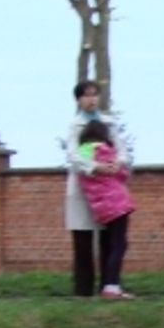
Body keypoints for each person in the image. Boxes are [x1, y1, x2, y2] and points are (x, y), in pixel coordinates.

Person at [63, 79, 131, 298]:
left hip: (108, 188)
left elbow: (121, 150)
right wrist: (95, 167)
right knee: (82, 240)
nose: (91, 99)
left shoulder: (108, 123)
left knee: (108, 240)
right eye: (86, 95)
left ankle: (108, 284)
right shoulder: (75, 126)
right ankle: (83, 289)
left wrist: (117, 164)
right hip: (83, 188)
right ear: (78, 100)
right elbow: (73, 156)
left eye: (94, 94)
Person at [74, 119, 135, 299]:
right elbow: (122, 173)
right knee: (119, 244)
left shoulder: (82, 154)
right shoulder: (105, 150)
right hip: (117, 202)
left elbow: (83, 172)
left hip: (100, 206)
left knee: (112, 243)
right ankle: (112, 286)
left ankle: (109, 285)